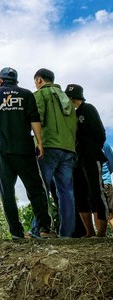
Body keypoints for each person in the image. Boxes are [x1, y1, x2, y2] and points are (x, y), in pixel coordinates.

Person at [0, 67, 54, 239]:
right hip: (24, 148)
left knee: (7, 191)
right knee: (35, 189)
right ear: (16, 81)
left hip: (2, 149)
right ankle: (44, 229)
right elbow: (34, 119)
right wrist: (39, 142)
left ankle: (16, 232)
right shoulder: (26, 94)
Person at [31, 68, 77, 238]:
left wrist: (38, 142)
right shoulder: (67, 99)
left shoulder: (40, 95)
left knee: (41, 189)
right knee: (66, 192)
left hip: (48, 147)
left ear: (40, 80)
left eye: (35, 82)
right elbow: (74, 127)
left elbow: (37, 119)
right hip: (68, 149)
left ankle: (38, 229)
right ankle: (67, 233)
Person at [65, 84, 109, 237]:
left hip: (91, 157)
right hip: (76, 160)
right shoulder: (70, 115)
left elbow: (100, 133)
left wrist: (93, 150)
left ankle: (101, 232)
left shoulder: (88, 109)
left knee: (95, 193)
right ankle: (89, 231)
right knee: (79, 194)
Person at [101, 142, 113, 229]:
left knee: (100, 212)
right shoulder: (104, 144)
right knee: (110, 212)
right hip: (106, 182)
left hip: (103, 182)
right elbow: (111, 163)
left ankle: (100, 234)